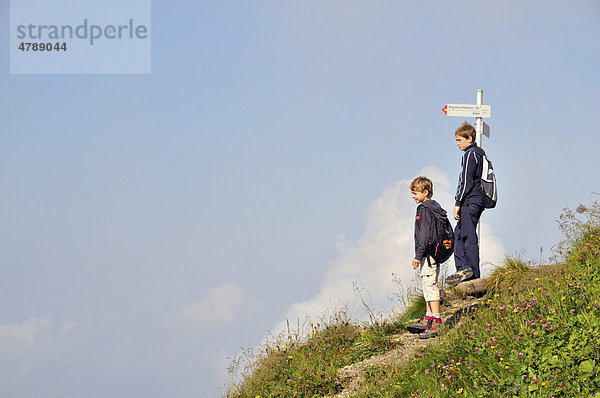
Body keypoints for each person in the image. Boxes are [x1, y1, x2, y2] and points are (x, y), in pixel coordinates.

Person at [406, 176, 449, 339]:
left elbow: (423, 234)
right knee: (427, 284)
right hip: (434, 252)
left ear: (425, 192)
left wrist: (418, 255)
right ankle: (429, 316)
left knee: (430, 285)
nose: (413, 196)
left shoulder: (424, 209)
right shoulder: (435, 208)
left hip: (428, 254)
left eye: (415, 193)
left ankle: (436, 320)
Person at [445, 122, 487, 287]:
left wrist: (457, 203)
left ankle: (473, 274)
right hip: (476, 201)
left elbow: (465, 181)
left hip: (469, 201)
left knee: (468, 237)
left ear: (469, 138)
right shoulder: (480, 153)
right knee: (459, 235)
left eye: (459, 140)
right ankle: (464, 270)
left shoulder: (470, 155)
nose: (457, 144)